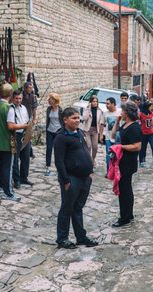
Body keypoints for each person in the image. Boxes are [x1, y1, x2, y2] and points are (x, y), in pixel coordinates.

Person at [54, 107, 97, 249]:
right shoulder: (61, 137)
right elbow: (59, 162)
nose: (77, 120)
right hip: (72, 179)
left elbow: (85, 150)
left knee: (78, 208)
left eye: (78, 118)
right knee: (66, 208)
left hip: (85, 178)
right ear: (65, 120)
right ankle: (62, 239)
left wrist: (90, 173)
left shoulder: (79, 132)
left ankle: (81, 237)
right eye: (74, 118)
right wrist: (66, 181)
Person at [112, 101, 142, 227]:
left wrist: (121, 147)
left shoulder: (135, 127)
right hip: (121, 161)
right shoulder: (124, 124)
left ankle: (124, 217)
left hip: (127, 162)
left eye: (122, 111)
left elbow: (137, 146)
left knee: (125, 190)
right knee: (125, 189)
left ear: (127, 113)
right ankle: (127, 214)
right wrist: (117, 122)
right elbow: (113, 135)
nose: (120, 113)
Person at [0, 82, 21, 201]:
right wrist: (23, 126)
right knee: (8, 167)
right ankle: (9, 192)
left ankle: (0, 186)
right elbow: (11, 126)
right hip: (7, 141)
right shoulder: (9, 108)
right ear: (10, 94)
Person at [7, 90, 31, 189]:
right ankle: (16, 180)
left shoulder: (24, 108)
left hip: (25, 135)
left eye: (20, 98)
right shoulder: (11, 109)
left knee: (26, 158)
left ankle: (24, 178)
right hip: (16, 136)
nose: (18, 100)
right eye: (16, 98)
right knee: (15, 159)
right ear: (13, 98)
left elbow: (27, 122)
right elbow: (11, 126)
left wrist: (29, 134)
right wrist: (23, 126)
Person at [100, 97, 121, 175]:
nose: (106, 105)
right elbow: (102, 124)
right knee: (108, 155)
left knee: (117, 155)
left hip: (118, 137)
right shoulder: (105, 113)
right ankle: (109, 172)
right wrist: (101, 135)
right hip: (108, 137)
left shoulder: (120, 112)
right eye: (106, 103)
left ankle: (116, 171)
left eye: (108, 103)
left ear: (113, 104)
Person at [45, 93, 63, 176]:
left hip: (58, 132)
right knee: (49, 149)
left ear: (54, 100)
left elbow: (63, 121)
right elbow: (47, 120)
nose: (49, 100)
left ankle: (58, 168)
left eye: (50, 99)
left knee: (58, 150)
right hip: (49, 131)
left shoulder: (60, 110)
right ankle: (48, 167)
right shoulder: (49, 109)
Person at [138, 101, 153, 167]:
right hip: (143, 134)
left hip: (151, 133)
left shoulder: (150, 114)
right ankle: (141, 160)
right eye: (150, 106)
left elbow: (152, 122)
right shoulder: (140, 114)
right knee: (143, 148)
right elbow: (137, 121)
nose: (152, 107)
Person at [82, 95, 103, 165]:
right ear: (90, 102)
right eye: (93, 101)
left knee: (95, 147)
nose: (95, 103)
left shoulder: (99, 110)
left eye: (96, 101)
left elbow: (100, 122)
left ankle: (93, 159)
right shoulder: (86, 108)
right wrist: (88, 109)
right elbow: (84, 118)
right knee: (88, 146)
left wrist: (100, 133)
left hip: (95, 130)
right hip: (87, 130)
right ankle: (87, 160)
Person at [22, 81, 38, 159]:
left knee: (29, 135)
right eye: (29, 87)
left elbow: (34, 109)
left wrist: (34, 119)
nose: (31, 89)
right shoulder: (20, 95)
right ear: (25, 88)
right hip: (20, 118)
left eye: (31, 87)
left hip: (29, 118)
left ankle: (29, 151)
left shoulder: (33, 97)